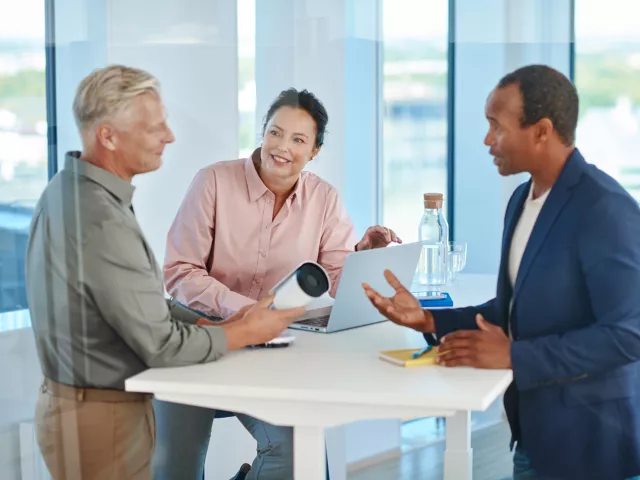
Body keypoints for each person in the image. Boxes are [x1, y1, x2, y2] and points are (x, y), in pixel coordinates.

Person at [25, 65, 304, 480]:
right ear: (108, 136)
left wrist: (223, 322)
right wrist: (248, 331)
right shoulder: (99, 219)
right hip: (101, 419)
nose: (169, 136)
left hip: (89, 408)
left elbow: (141, 306)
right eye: (154, 127)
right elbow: (160, 344)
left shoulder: (73, 191)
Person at [363, 64, 640, 480]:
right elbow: (515, 309)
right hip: (534, 434)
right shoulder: (520, 201)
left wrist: (515, 355)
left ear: (542, 131)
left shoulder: (606, 209)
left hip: (592, 446)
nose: (487, 140)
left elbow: (628, 334)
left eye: (497, 126)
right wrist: (429, 318)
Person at [155, 88, 400, 479]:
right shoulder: (214, 182)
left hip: (272, 350)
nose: (282, 147)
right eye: (275, 132)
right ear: (263, 132)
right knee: (175, 470)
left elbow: (334, 282)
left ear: (315, 151)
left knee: (297, 455)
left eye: (299, 139)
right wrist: (248, 313)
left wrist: (364, 256)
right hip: (198, 338)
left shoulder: (324, 199)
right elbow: (181, 271)